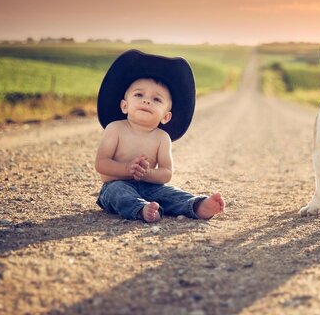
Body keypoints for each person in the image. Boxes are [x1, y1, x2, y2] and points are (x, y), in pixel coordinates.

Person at [94, 49, 225, 223]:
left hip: (150, 187)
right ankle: (140, 209)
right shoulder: (115, 129)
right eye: (139, 95)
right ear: (124, 106)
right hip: (116, 183)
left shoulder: (162, 138)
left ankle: (197, 205)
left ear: (166, 116)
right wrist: (127, 170)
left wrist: (146, 173)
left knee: (170, 193)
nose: (147, 100)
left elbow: (166, 173)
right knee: (117, 193)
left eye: (157, 99)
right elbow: (101, 164)